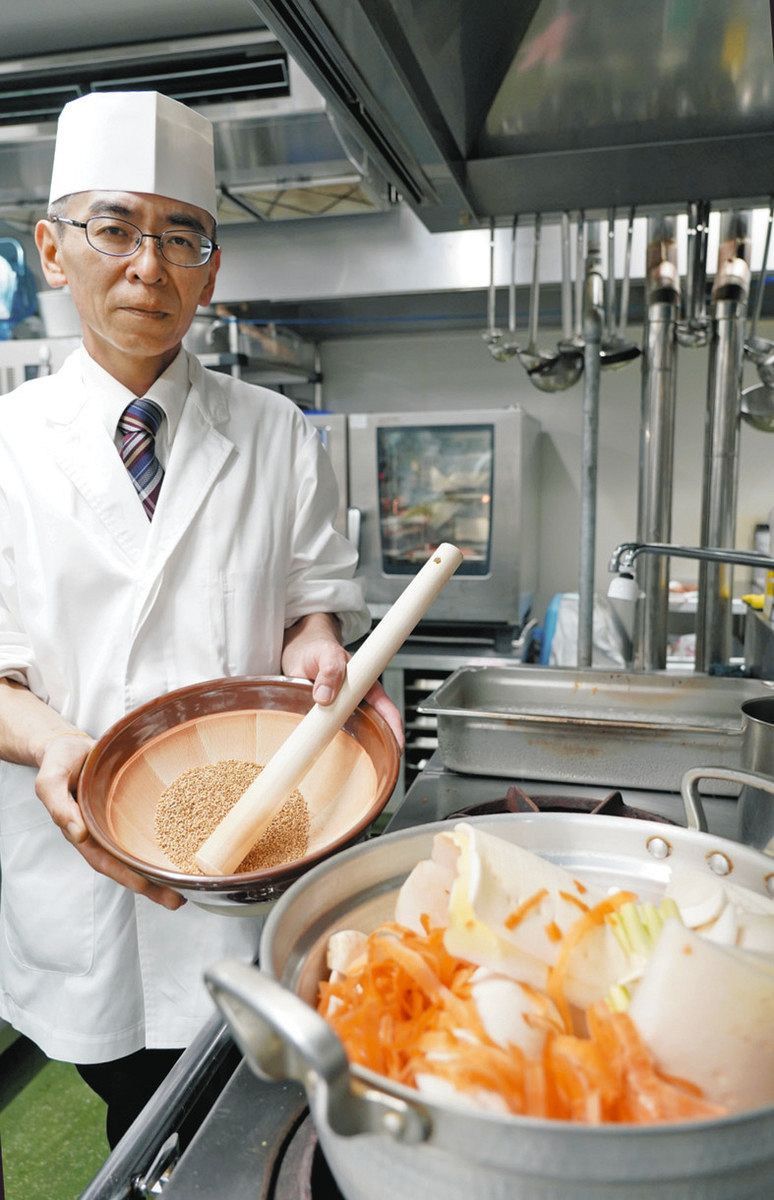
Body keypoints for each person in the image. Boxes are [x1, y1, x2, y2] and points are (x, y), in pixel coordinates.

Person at [0, 90, 401, 1148]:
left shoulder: (273, 433)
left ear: (212, 267)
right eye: (115, 227)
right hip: (87, 884)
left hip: (256, 854)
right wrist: (60, 749)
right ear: (52, 249)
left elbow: (313, 607)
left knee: (258, 1110)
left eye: (183, 235)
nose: (150, 263)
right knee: (138, 1113)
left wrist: (318, 649)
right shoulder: (4, 445)